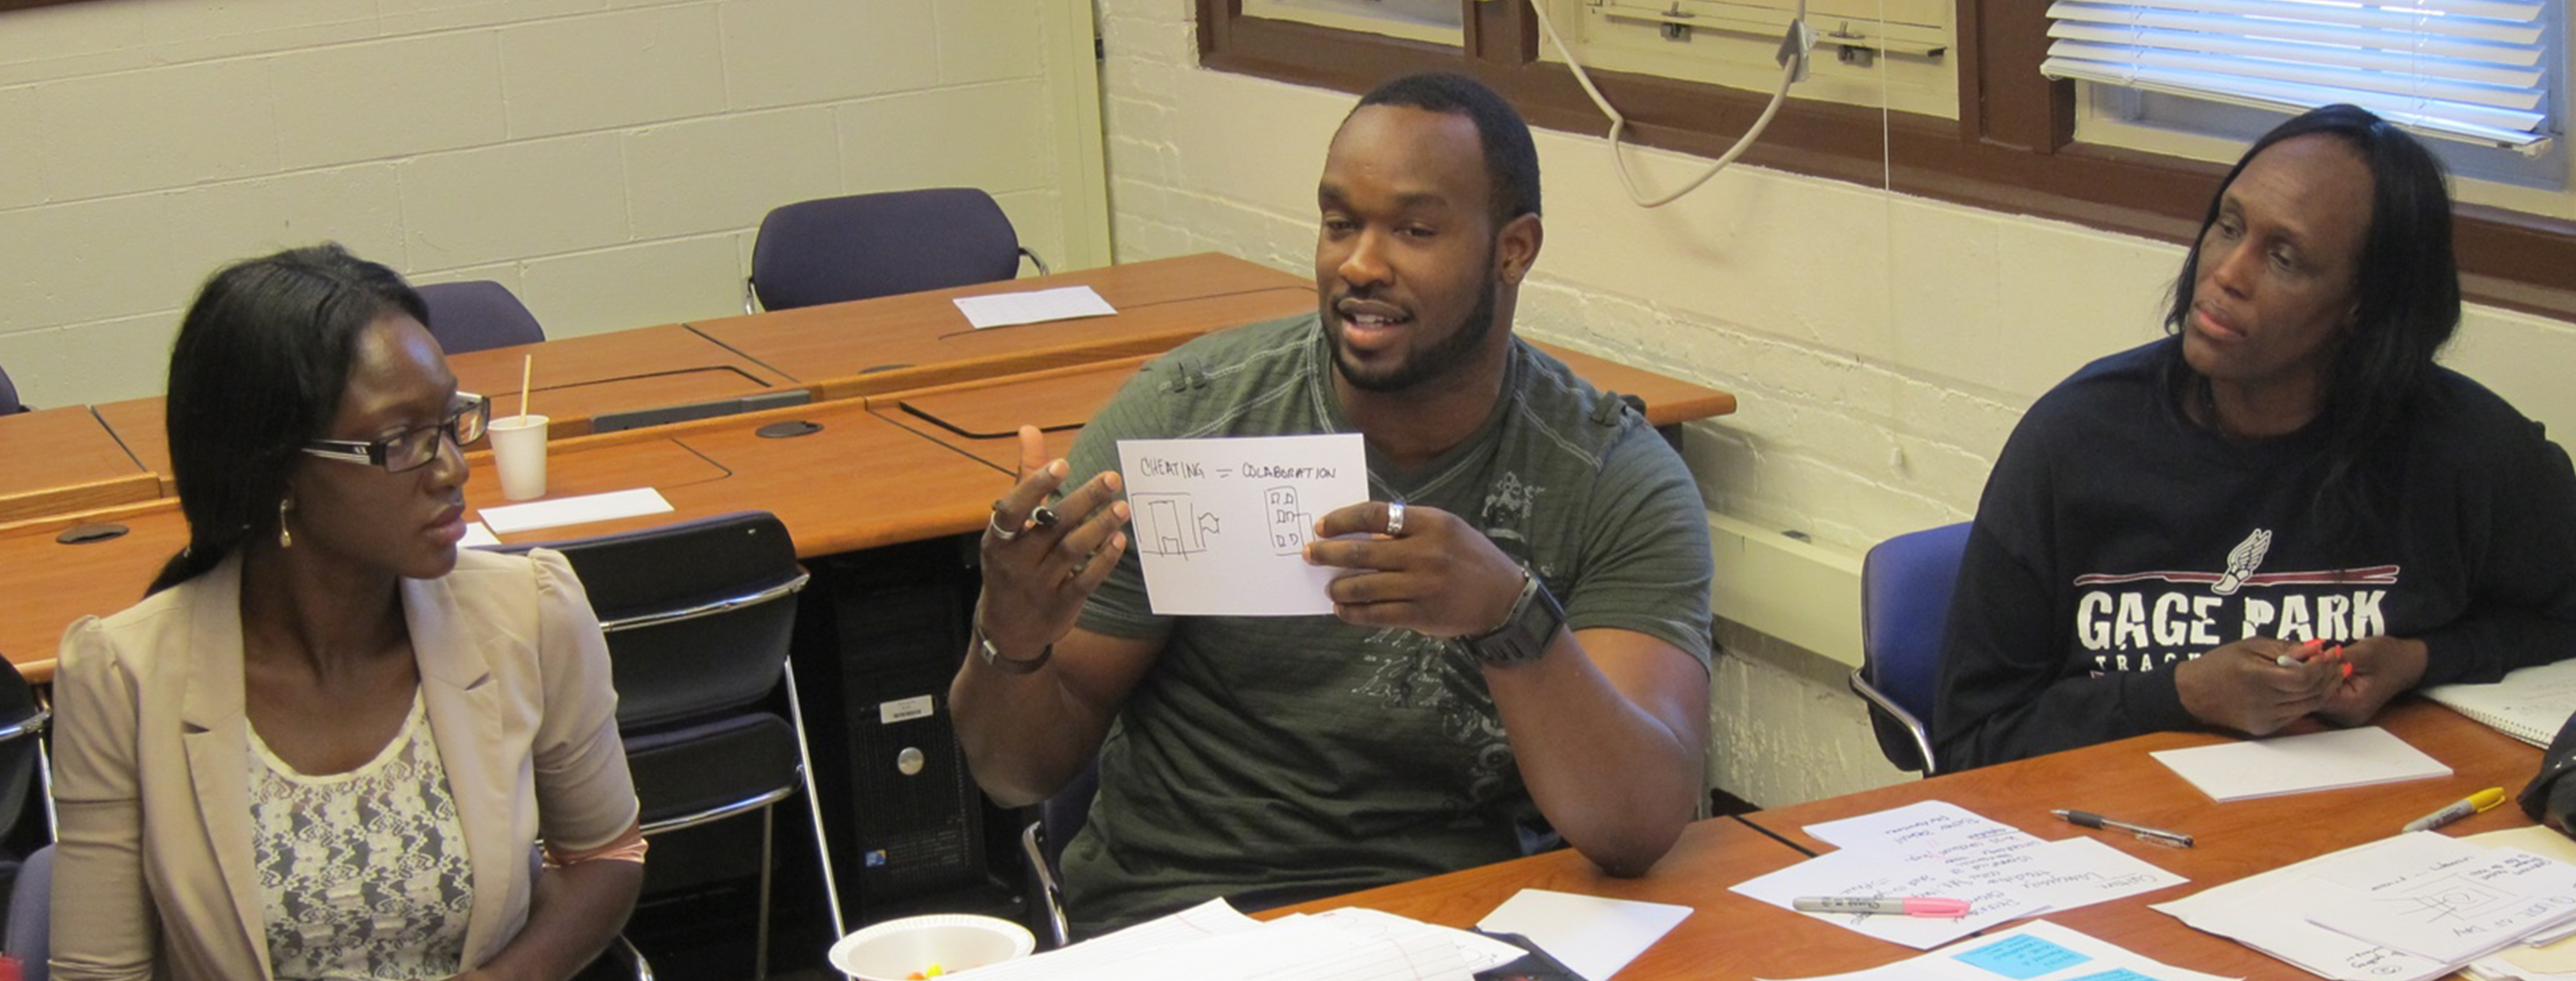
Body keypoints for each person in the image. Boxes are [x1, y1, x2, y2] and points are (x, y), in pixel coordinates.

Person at [949, 72, 1715, 933]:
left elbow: (1637, 826)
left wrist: (1510, 616)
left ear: (1514, 249)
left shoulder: (1611, 473)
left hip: (1461, 925)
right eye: (1340, 224)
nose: (1359, 263)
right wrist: (1009, 634)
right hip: (1188, 920)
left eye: (1415, 230)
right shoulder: (1187, 420)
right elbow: (1013, 774)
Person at [51, 245, 645, 980]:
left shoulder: (528, 612)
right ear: (276, 467)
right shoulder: (122, 677)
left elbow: (606, 854)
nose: (454, 468)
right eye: (400, 440)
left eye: (450, 419)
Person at [1934, 104, 2576, 771]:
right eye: (2228, 226)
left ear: (2364, 305)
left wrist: (2420, 660)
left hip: (2364, 835)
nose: (2227, 274)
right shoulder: (2074, 442)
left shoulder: (2459, 448)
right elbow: (1970, 740)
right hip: (2110, 837)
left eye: (2285, 257)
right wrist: (2181, 694)